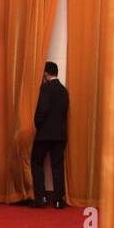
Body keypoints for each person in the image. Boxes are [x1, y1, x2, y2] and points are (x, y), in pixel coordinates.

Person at [31, 61, 69, 208]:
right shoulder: (64, 91)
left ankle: (41, 198)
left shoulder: (45, 89)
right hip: (60, 135)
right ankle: (58, 200)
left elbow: (42, 110)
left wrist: (38, 125)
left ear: (46, 73)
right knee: (58, 165)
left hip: (45, 134)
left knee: (37, 161)